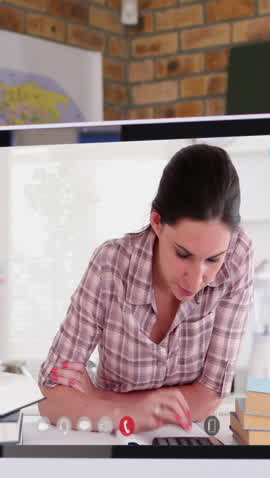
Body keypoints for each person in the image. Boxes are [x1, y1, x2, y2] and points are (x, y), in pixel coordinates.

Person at [38, 143, 254, 432]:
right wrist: (132, 412)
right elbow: (51, 396)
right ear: (157, 221)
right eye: (183, 254)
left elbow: (209, 398)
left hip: (185, 442)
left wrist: (103, 399)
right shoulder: (111, 265)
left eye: (213, 259)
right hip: (116, 441)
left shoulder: (238, 256)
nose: (195, 280)